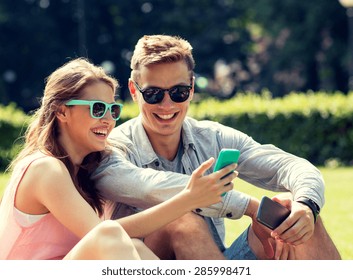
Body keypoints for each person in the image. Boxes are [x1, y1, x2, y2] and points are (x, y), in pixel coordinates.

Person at [92, 34, 341, 260]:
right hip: (147, 266)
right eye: (154, 94)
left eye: (178, 92)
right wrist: (250, 207)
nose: (166, 105)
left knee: (290, 211)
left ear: (191, 89)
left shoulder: (212, 137)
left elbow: (291, 166)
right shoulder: (113, 147)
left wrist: (307, 205)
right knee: (181, 217)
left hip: (214, 262)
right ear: (134, 91)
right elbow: (150, 186)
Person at [0, 57, 238, 260]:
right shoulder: (45, 169)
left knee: (135, 245)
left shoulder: (87, 169)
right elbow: (103, 236)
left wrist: (187, 202)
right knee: (110, 236)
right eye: (96, 109)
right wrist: (188, 199)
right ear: (62, 111)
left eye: (112, 110)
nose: (107, 119)